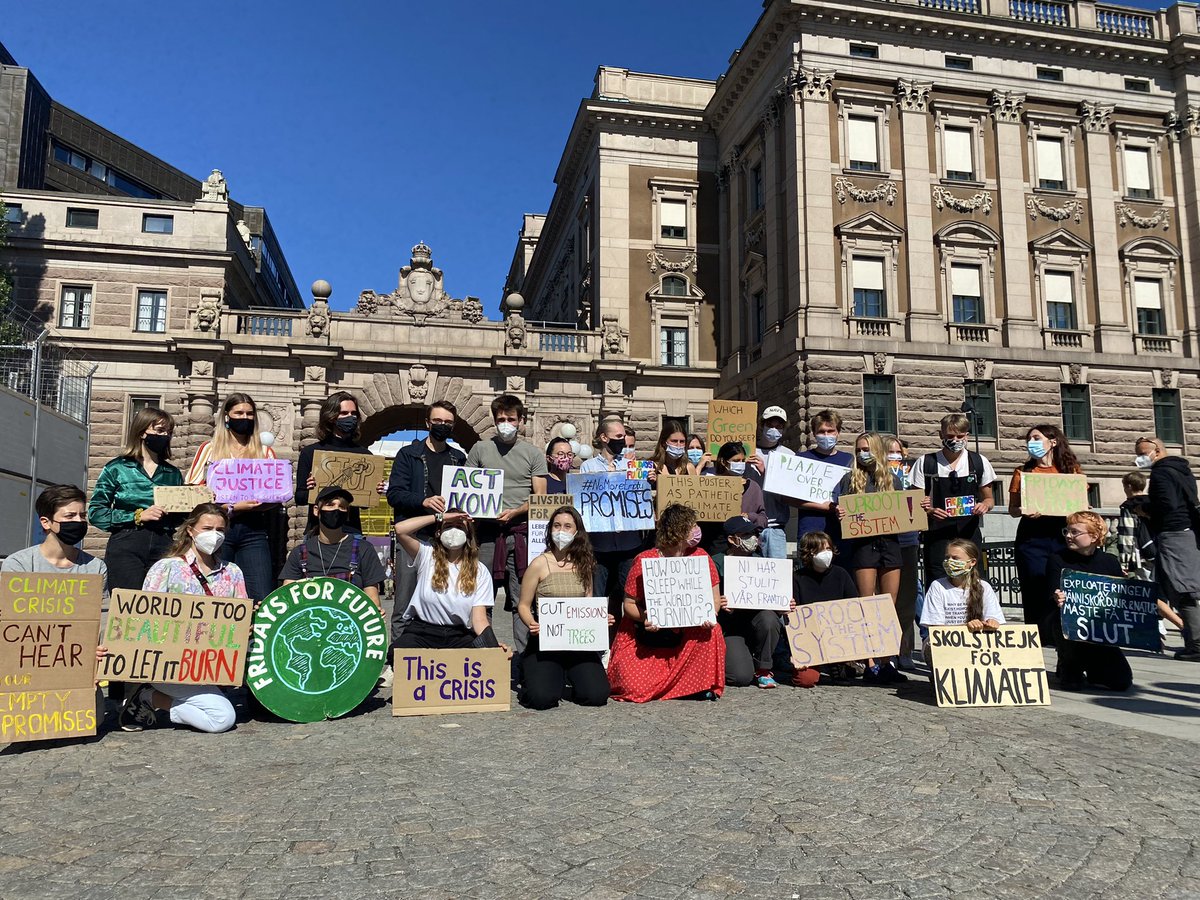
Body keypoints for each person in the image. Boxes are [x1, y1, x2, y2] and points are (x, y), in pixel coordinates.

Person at [118, 504, 246, 733]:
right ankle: (149, 697)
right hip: (171, 666)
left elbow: (239, 621)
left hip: (210, 667)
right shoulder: (166, 568)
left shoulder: (233, 572)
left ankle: (154, 698)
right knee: (222, 718)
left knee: (216, 712)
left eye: (220, 530)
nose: (214, 535)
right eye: (207, 528)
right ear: (190, 530)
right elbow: (144, 618)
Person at [608, 504, 725, 702]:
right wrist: (645, 618)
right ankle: (674, 685)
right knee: (633, 686)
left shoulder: (701, 556)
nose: (697, 530)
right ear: (678, 530)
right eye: (692, 526)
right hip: (649, 634)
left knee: (713, 632)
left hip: (688, 630)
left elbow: (714, 599)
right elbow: (629, 604)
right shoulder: (645, 560)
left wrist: (709, 614)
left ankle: (696, 685)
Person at [464, 395, 547, 658]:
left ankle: (524, 658)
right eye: (501, 419)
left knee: (521, 599)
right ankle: (483, 654)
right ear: (494, 420)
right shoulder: (480, 449)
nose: (506, 424)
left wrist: (516, 512)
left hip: (520, 534)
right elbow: (466, 487)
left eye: (511, 419)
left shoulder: (533, 453)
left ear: (521, 421)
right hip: (486, 535)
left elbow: (541, 497)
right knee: (481, 597)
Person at [387, 401, 467, 643]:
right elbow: (394, 494)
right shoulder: (408, 455)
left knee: (446, 597)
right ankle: (398, 655)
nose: (442, 425)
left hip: (448, 540)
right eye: (438, 421)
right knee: (404, 602)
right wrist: (423, 501)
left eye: (448, 422)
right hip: (413, 537)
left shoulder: (458, 458)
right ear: (427, 423)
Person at [185, 393, 278, 603]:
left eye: (249, 414)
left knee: (260, 592)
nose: (245, 418)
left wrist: (256, 504)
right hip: (216, 529)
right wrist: (230, 506)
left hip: (253, 529)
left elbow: (276, 492)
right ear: (227, 416)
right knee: (215, 588)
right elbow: (192, 489)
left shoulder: (265, 451)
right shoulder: (209, 449)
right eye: (239, 413)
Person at [516, 506, 612, 709]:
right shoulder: (539, 564)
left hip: (577, 642)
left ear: (577, 531)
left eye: (568, 526)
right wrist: (532, 623)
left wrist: (600, 619)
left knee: (597, 695)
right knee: (541, 698)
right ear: (550, 529)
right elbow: (523, 605)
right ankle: (534, 672)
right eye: (557, 525)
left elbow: (587, 603)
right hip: (546, 640)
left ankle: (569, 673)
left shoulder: (585, 564)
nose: (561, 530)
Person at [834, 432, 906, 683]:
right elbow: (842, 508)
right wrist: (841, 513)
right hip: (863, 545)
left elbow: (903, 511)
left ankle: (887, 661)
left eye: (866, 449)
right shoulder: (850, 479)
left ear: (877, 450)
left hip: (890, 544)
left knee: (888, 605)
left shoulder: (893, 480)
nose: (862, 454)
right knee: (866, 604)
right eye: (858, 450)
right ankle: (870, 662)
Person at [89, 406, 183, 592]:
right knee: (126, 601)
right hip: (127, 542)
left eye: (168, 432)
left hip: (164, 543)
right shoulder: (117, 468)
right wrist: (137, 516)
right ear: (142, 432)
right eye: (159, 430)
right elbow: (96, 513)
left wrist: (193, 504)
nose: (165, 436)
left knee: (161, 602)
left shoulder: (173, 473)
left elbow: (179, 518)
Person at [391, 510, 510, 654]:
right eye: (448, 526)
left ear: (468, 534)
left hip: (458, 634)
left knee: (485, 658)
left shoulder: (480, 570)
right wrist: (441, 517)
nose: (454, 530)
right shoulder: (427, 555)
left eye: (459, 526)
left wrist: (493, 647)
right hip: (422, 631)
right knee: (396, 653)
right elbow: (400, 529)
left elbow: (479, 620)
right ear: (438, 533)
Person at [1008, 424, 1083, 642]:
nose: (1031, 442)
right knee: (1034, 583)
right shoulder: (1023, 472)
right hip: (1032, 536)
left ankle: (1064, 632)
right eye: (1029, 439)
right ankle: (1039, 634)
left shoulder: (1071, 471)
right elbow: (1013, 509)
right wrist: (1023, 510)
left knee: (1062, 583)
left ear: (1053, 442)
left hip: (1063, 534)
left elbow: (1080, 503)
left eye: (1036, 438)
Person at [1049, 511, 1133, 691]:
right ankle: (1068, 662)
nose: (1068, 536)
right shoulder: (1057, 558)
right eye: (1067, 531)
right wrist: (1057, 595)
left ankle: (1094, 667)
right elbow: (1052, 588)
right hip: (1070, 626)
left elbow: (1120, 598)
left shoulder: (1109, 562)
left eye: (1075, 532)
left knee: (1122, 681)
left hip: (1101, 629)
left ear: (1094, 536)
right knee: (1073, 684)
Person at [911, 413, 996, 585]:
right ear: (941, 435)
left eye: (960, 436)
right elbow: (914, 503)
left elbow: (989, 499)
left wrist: (984, 506)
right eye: (950, 436)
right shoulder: (926, 462)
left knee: (974, 580)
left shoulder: (978, 462)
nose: (955, 440)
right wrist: (929, 510)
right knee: (937, 580)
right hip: (937, 535)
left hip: (969, 532)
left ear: (967, 436)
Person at [581, 418, 649, 631]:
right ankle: (599, 638)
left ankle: (625, 638)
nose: (622, 440)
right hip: (600, 546)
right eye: (618, 436)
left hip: (628, 544)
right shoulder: (588, 466)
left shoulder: (631, 466)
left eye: (624, 436)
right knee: (598, 595)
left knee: (628, 595)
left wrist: (649, 478)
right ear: (604, 437)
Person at [1138, 436, 1200, 660]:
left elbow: (1168, 504)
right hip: (1186, 532)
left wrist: (1145, 509)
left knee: (1183, 591)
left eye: (1142, 453)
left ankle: (1197, 645)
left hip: (1174, 534)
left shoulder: (1161, 473)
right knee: (1179, 588)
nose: (1139, 458)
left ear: (1156, 451)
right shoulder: (1181, 470)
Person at [280, 487, 387, 609]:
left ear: (347, 514)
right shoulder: (300, 553)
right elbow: (286, 599)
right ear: (316, 510)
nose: (336, 510)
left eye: (342, 506)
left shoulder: (363, 549)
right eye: (330, 505)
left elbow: (373, 601)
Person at [295, 391, 384, 535]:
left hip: (351, 531)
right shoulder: (310, 452)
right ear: (331, 417)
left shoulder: (365, 456)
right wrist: (310, 489)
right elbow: (300, 498)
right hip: (317, 531)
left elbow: (365, 506)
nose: (350, 417)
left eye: (353, 413)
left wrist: (374, 491)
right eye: (344, 413)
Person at [718, 516, 791, 688]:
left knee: (769, 619)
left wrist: (785, 603)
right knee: (740, 677)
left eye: (754, 533)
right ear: (732, 539)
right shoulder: (716, 562)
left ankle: (763, 668)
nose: (753, 538)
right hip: (731, 628)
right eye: (746, 535)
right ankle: (735, 659)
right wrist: (719, 603)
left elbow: (775, 597)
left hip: (757, 623)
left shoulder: (764, 563)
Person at [918, 539, 1004, 667]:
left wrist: (991, 623)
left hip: (977, 646)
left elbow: (995, 619)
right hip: (945, 646)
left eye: (955, 558)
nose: (949, 562)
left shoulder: (984, 587)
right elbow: (936, 629)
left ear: (972, 562)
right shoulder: (938, 586)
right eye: (947, 557)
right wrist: (966, 627)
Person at [2, 485, 108, 585]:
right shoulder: (20, 564)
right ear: (46, 522)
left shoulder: (96, 568)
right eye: (70, 516)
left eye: (82, 515)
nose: (79, 521)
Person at [790, 531, 858, 687]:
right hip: (809, 639)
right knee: (805, 680)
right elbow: (795, 619)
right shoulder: (797, 577)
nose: (826, 553)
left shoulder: (841, 574)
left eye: (828, 549)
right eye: (821, 550)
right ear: (809, 553)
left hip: (838, 636)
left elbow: (854, 606)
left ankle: (840, 664)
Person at [882, 434, 919, 670]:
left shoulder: (913, 472)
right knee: (884, 599)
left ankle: (904, 649)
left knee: (906, 598)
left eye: (898, 452)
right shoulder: (872, 474)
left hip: (907, 540)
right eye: (890, 452)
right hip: (881, 540)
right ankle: (884, 651)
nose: (895, 456)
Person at [701, 442, 767, 570]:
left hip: (745, 548)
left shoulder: (753, 487)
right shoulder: (710, 485)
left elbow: (763, 519)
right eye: (736, 461)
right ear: (723, 462)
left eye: (742, 460)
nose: (740, 464)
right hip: (717, 546)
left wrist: (749, 517)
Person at [794, 410, 853, 549]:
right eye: (821, 431)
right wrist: (823, 507)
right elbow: (789, 498)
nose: (826, 435)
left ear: (838, 432)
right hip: (810, 530)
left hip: (841, 530)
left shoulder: (849, 459)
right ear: (814, 434)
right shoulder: (801, 459)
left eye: (831, 431)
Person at [748, 405, 794, 559]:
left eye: (779, 426)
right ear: (762, 425)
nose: (774, 429)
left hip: (775, 527)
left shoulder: (789, 455)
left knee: (778, 572)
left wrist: (765, 473)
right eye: (770, 425)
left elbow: (790, 491)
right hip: (748, 525)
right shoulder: (747, 452)